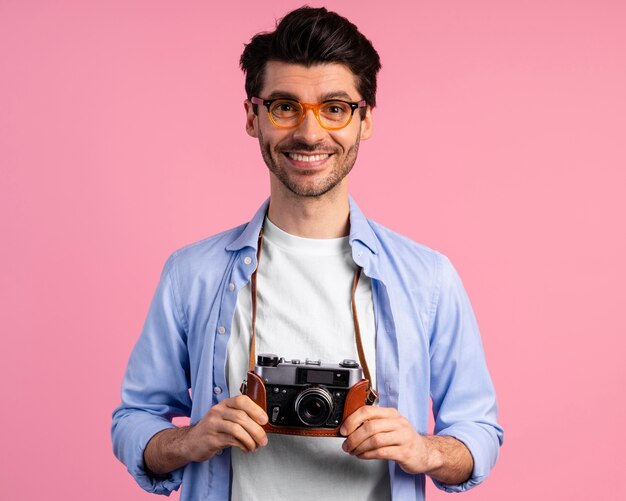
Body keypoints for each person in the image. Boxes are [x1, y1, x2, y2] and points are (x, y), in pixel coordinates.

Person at [111, 6, 503, 501]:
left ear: (365, 121)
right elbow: (133, 422)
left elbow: (479, 434)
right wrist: (191, 440)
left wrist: (424, 450)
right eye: (285, 106)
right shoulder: (191, 274)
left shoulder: (427, 278)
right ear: (254, 117)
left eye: (335, 107)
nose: (311, 133)